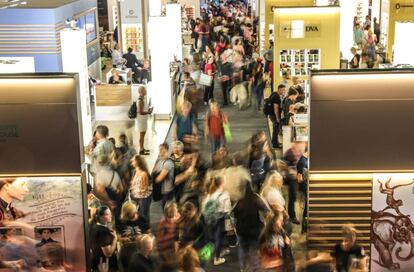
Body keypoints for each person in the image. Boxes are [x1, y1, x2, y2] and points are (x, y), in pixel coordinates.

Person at [233, 181, 269, 271]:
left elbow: (233, 214)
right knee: (254, 250)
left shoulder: (239, 200)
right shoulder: (256, 198)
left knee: (242, 249)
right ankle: (254, 268)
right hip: (255, 229)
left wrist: (234, 226)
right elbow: (267, 209)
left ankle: (243, 268)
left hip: (241, 230)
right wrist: (264, 221)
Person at [202, 176, 231, 265]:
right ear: (222, 183)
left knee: (211, 238)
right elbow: (227, 210)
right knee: (219, 237)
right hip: (220, 218)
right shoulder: (224, 195)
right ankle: (216, 259)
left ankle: (205, 256)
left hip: (210, 218)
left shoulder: (211, 193)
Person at [90, 206, 118, 272]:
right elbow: (108, 253)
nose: (111, 216)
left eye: (110, 213)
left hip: (96, 263)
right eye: (108, 214)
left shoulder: (93, 226)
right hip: (104, 266)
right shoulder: (103, 231)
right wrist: (115, 239)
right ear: (101, 217)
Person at [130, 154, 152, 228]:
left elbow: (145, 188)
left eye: (133, 160)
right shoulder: (134, 171)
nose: (131, 161)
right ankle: (140, 226)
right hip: (136, 196)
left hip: (143, 197)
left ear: (138, 162)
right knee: (138, 213)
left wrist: (139, 196)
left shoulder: (144, 174)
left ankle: (145, 228)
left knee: (143, 214)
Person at [157, 202, 180, 267]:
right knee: (167, 262)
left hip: (175, 241)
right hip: (166, 244)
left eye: (173, 216)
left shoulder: (178, 217)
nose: (171, 219)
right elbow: (160, 237)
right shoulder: (163, 223)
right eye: (169, 217)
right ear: (166, 215)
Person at [153, 143, 175, 208]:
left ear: (168, 151)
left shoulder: (168, 163)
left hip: (167, 190)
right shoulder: (160, 160)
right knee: (163, 206)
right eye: (160, 151)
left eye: (163, 151)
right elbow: (154, 170)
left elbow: (159, 179)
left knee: (166, 207)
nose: (161, 153)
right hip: (162, 189)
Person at [135, 86, 153, 155]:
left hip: (143, 120)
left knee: (143, 134)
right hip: (141, 120)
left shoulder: (143, 99)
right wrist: (148, 112)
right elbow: (140, 112)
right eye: (144, 91)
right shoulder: (140, 100)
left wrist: (149, 110)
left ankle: (142, 147)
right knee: (141, 135)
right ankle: (141, 149)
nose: (145, 92)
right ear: (140, 92)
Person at [268, 84, 286, 149]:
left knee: (275, 129)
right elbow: (276, 108)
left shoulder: (274, 94)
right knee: (276, 130)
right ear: (280, 89)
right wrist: (278, 118)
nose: (284, 92)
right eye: (283, 90)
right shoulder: (277, 97)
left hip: (271, 115)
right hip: (274, 115)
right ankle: (275, 144)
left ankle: (275, 142)